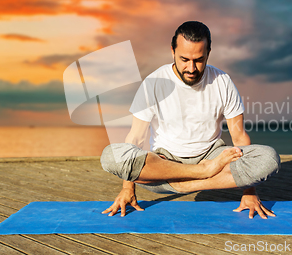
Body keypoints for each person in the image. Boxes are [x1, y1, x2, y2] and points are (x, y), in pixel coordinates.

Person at [100, 21, 280, 219]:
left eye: (199, 60)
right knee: (111, 156)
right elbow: (135, 137)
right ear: (172, 51)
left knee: (268, 158)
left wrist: (250, 192)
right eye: (184, 59)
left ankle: (190, 179)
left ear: (208, 53)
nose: (191, 68)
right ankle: (201, 173)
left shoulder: (222, 81)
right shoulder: (153, 83)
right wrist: (128, 188)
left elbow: (239, 137)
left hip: (211, 157)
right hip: (166, 162)